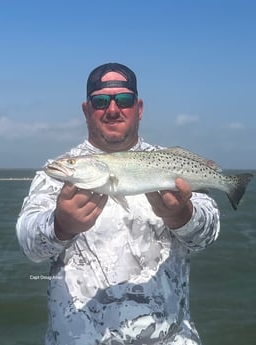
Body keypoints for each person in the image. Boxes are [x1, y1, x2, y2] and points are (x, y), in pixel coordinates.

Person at [16, 62, 220, 345]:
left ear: (139, 108)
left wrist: (183, 216)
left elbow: (207, 236)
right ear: (87, 110)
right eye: (100, 101)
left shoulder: (172, 164)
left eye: (123, 100)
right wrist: (60, 226)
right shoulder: (57, 172)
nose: (113, 110)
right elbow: (29, 246)